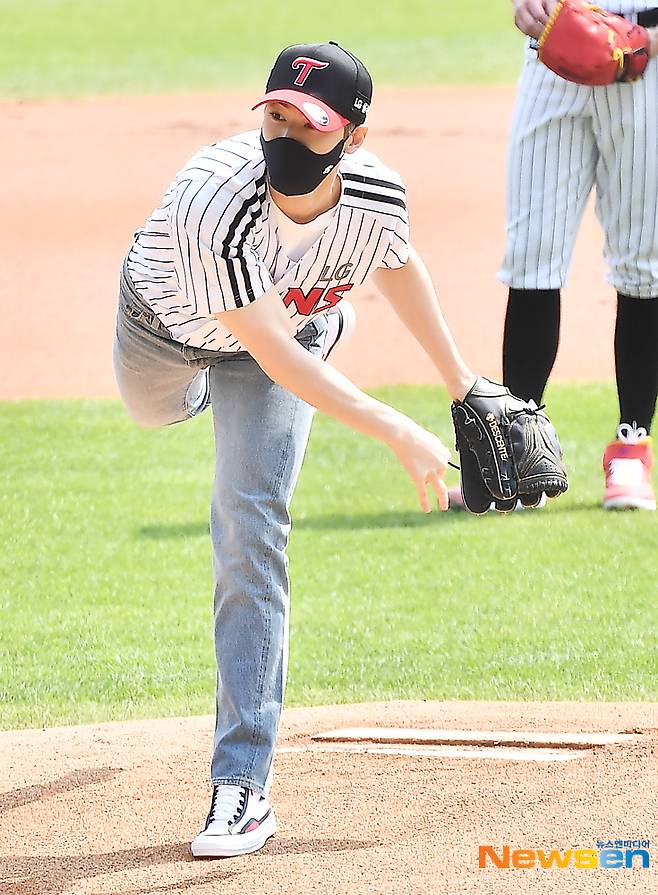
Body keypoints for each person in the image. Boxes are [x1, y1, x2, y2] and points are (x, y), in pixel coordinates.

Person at [114, 41, 479, 858]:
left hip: (271, 347)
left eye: (308, 124)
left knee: (249, 526)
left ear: (350, 137)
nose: (283, 134)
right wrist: (401, 429)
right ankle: (317, 330)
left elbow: (397, 260)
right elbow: (275, 355)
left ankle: (241, 784)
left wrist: (464, 386)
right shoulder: (217, 201)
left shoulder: (378, 189)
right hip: (163, 331)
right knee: (159, 411)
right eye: (275, 114)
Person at [501, 1, 658, 510]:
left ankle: (632, 447)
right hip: (552, 56)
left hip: (646, 62)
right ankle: (520, 456)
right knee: (531, 257)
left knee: (643, 265)